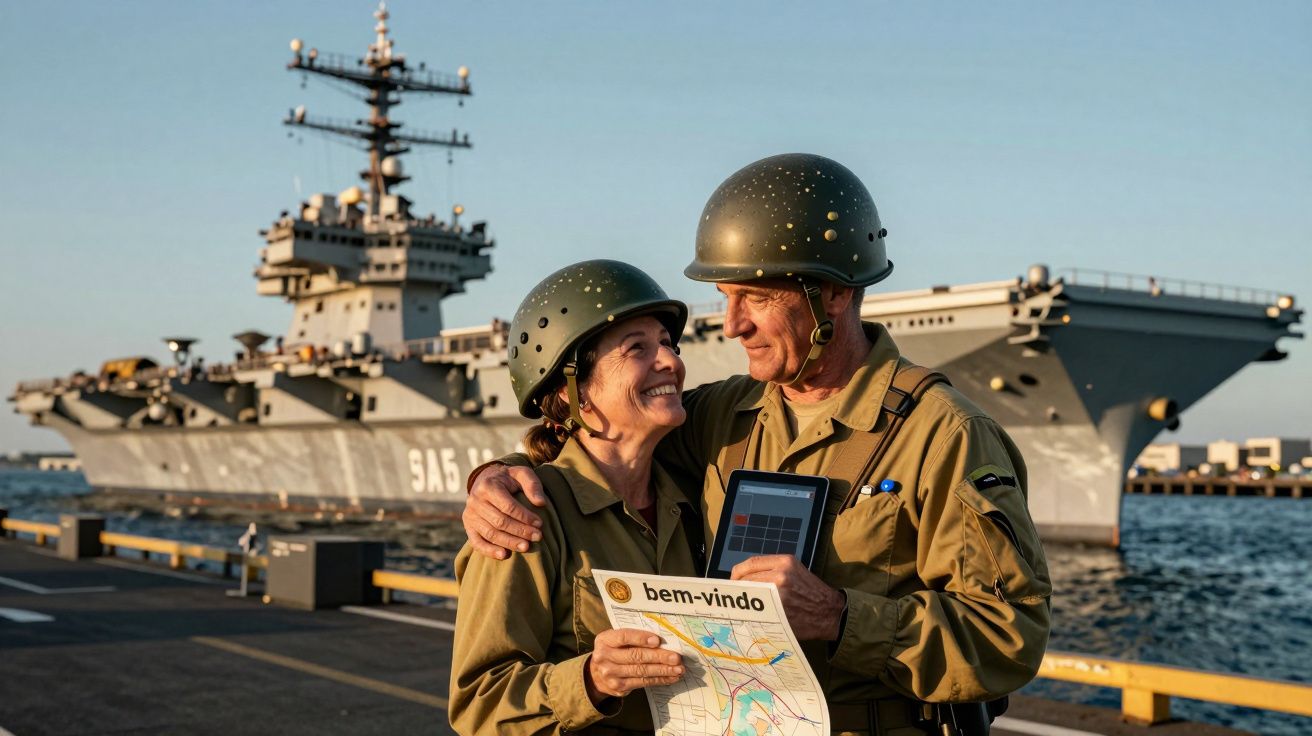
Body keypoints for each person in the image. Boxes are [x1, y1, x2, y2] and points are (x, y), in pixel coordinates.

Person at [464, 153, 1053, 735]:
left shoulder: (943, 434)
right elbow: (607, 442)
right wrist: (499, 478)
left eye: (758, 297)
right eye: (726, 296)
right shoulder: (722, 417)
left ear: (833, 293)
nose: (732, 324)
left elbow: (1010, 637)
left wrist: (839, 617)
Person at [448, 260, 704, 735]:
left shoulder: (693, 500)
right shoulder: (522, 517)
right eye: (638, 348)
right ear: (572, 392)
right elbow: (479, 707)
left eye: (668, 343)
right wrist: (591, 680)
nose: (670, 361)